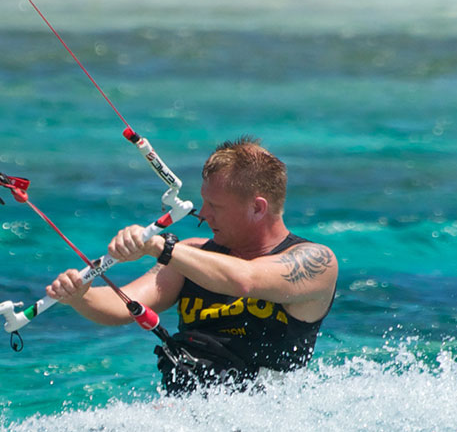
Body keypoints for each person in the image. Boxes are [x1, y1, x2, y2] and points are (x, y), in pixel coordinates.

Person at [45, 137, 337, 394]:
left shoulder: (314, 262)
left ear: (257, 208)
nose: (203, 214)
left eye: (215, 206)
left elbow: (246, 279)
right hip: (186, 417)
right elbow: (125, 304)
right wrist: (80, 297)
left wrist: (158, 246)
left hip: (256, 422)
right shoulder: (192, 253)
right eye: (203, 202)